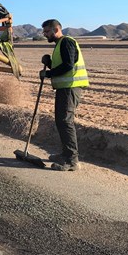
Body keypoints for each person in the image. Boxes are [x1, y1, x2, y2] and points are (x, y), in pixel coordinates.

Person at [40, 19, 90, 171]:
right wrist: (49, 63)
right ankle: (65, 153)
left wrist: (48, 73)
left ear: (56, 30)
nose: (45, 34)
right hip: (65, 88)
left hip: (70, 87)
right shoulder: (60, 44)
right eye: (44, 32)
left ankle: (71, 160)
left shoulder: (67, 42)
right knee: (61, 121)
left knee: (65, 121)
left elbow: (69, 65)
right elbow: (63, 64)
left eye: (47, 31)